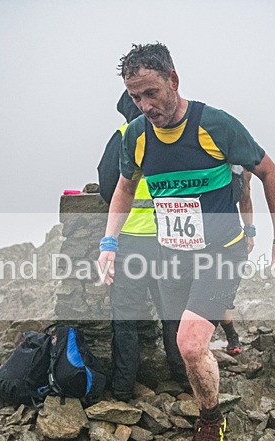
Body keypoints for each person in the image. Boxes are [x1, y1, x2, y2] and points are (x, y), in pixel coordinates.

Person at [98, 43, 275, 441]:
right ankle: (207, 382)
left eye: (151, 93)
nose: (145, 105)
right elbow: (125, 188)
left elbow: (267, 171)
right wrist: (109, 243)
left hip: (220, 253)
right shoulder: (136, 136)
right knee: (185, 343)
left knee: (189, 344)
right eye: (135, 97)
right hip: (171, 256)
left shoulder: (215, 126)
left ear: (174, 80)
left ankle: (210, 421)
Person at [98, 90, 189, 401]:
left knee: (125, 318)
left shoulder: (124, 135)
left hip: (131, 240)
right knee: (173, 312)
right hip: (170, 240)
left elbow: (108, 184)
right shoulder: (171, 133)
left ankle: (123, 388)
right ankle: (184, 378)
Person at [220, 166, 254, 355]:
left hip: (231, 240)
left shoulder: (243, 169)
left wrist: (250, 232)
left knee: (223, 294)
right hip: (199, 240)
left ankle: (231, 336)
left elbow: (245, 199)